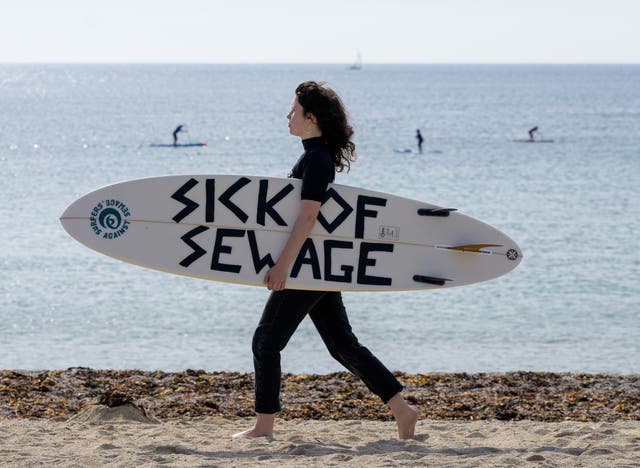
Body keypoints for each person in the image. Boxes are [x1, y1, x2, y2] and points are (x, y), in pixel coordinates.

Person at [232, 81, 419, 440]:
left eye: (293, 111)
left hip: (306, 268)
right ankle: (402, 410)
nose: (287, 116)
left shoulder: (316, 160)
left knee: (266, 341)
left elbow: (307, 216)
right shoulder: (313, 155)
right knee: (342, 345)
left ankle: (263, 426)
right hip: (318, 266)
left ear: (311, 118)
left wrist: (283, 265)